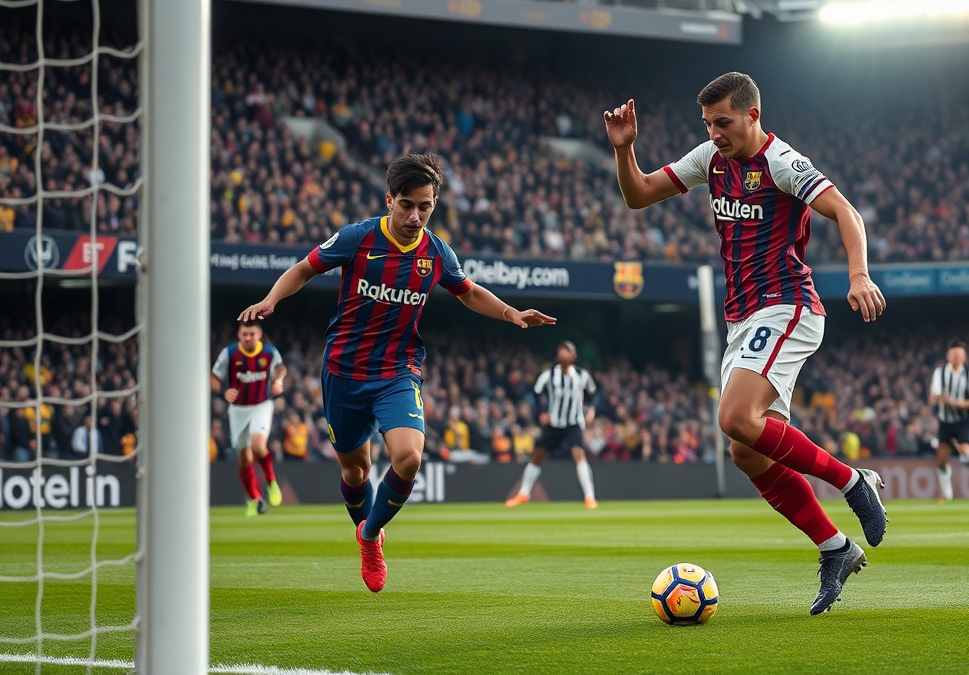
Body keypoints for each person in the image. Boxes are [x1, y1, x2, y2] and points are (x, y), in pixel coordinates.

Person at [604, 72, 889, 616]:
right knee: (746, 451)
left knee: (734, 418)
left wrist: (858, 275)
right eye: (708, 123)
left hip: (788, 304)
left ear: (753, 116)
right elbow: (639, 195)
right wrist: (626, 151)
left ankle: (854, 482)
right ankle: (836, 549)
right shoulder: (710, 159)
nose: (715, 132)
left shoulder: (783, 162)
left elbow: (846, 213)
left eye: (725, 122)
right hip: (744, 319)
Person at [238, 152, 556, 592]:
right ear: (390, 199)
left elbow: (467, 292)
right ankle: (365, 523)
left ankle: (370, 537)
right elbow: (304, 268)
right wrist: (273, 300)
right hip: (343, 371)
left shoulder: (436, 252)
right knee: (356, 472)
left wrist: (510, 311)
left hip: (397, 371)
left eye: (425, 206)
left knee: (408, 458)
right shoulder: (358, 238)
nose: (415, 215)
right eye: (407, 204)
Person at [506, 341, 599, 509]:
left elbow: (592, 391)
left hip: (573, 422)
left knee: (579, 454)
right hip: (554, 423)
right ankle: (523, 493)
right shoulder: (549, 374)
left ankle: (589, 497)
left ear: (573, 356)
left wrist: (590, 409)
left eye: (567, 351)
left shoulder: (581, 375)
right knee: (537, 456)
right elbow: (536, 391)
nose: (563, 354)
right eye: (561, 351)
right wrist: (542, 411)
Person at [211, 321, 287, 517]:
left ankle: (271, 482)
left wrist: (277, 380)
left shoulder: (269, 353)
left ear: (259, 334)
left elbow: (281, 368)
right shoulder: (230, 353)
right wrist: (223, 391)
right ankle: (255, 499)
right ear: (239, 335)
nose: (247, 338)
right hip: (237, 410)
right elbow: (213, 377)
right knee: (244, 458)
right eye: (244, 334)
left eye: (251, 334)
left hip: (261, 405)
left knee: (257, 446)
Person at [929, 340, 969, 501]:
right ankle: (947, 493)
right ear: (948, 356)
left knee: (963, 447)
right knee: (941, 457)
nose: (956, 357)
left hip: (964, 418)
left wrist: (960, 404)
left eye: (959, 354)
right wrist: (942, 399)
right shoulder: (940, 373)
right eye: (953, 354)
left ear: (964, 357)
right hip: (945, 419)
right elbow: (933, 396)